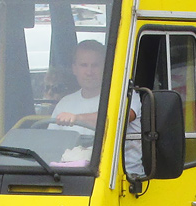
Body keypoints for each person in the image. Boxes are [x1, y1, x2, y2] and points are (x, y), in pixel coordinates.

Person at [48, 40, 143, 175]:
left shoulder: (126, 95)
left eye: (95, 65)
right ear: (74, 69)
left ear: (106, 67)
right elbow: (52, 147)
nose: (89, 71)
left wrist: (78, 118)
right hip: (71, 176)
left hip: (121, 179)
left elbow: (117, 117)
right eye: (84, 65)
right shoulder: (65, 103)